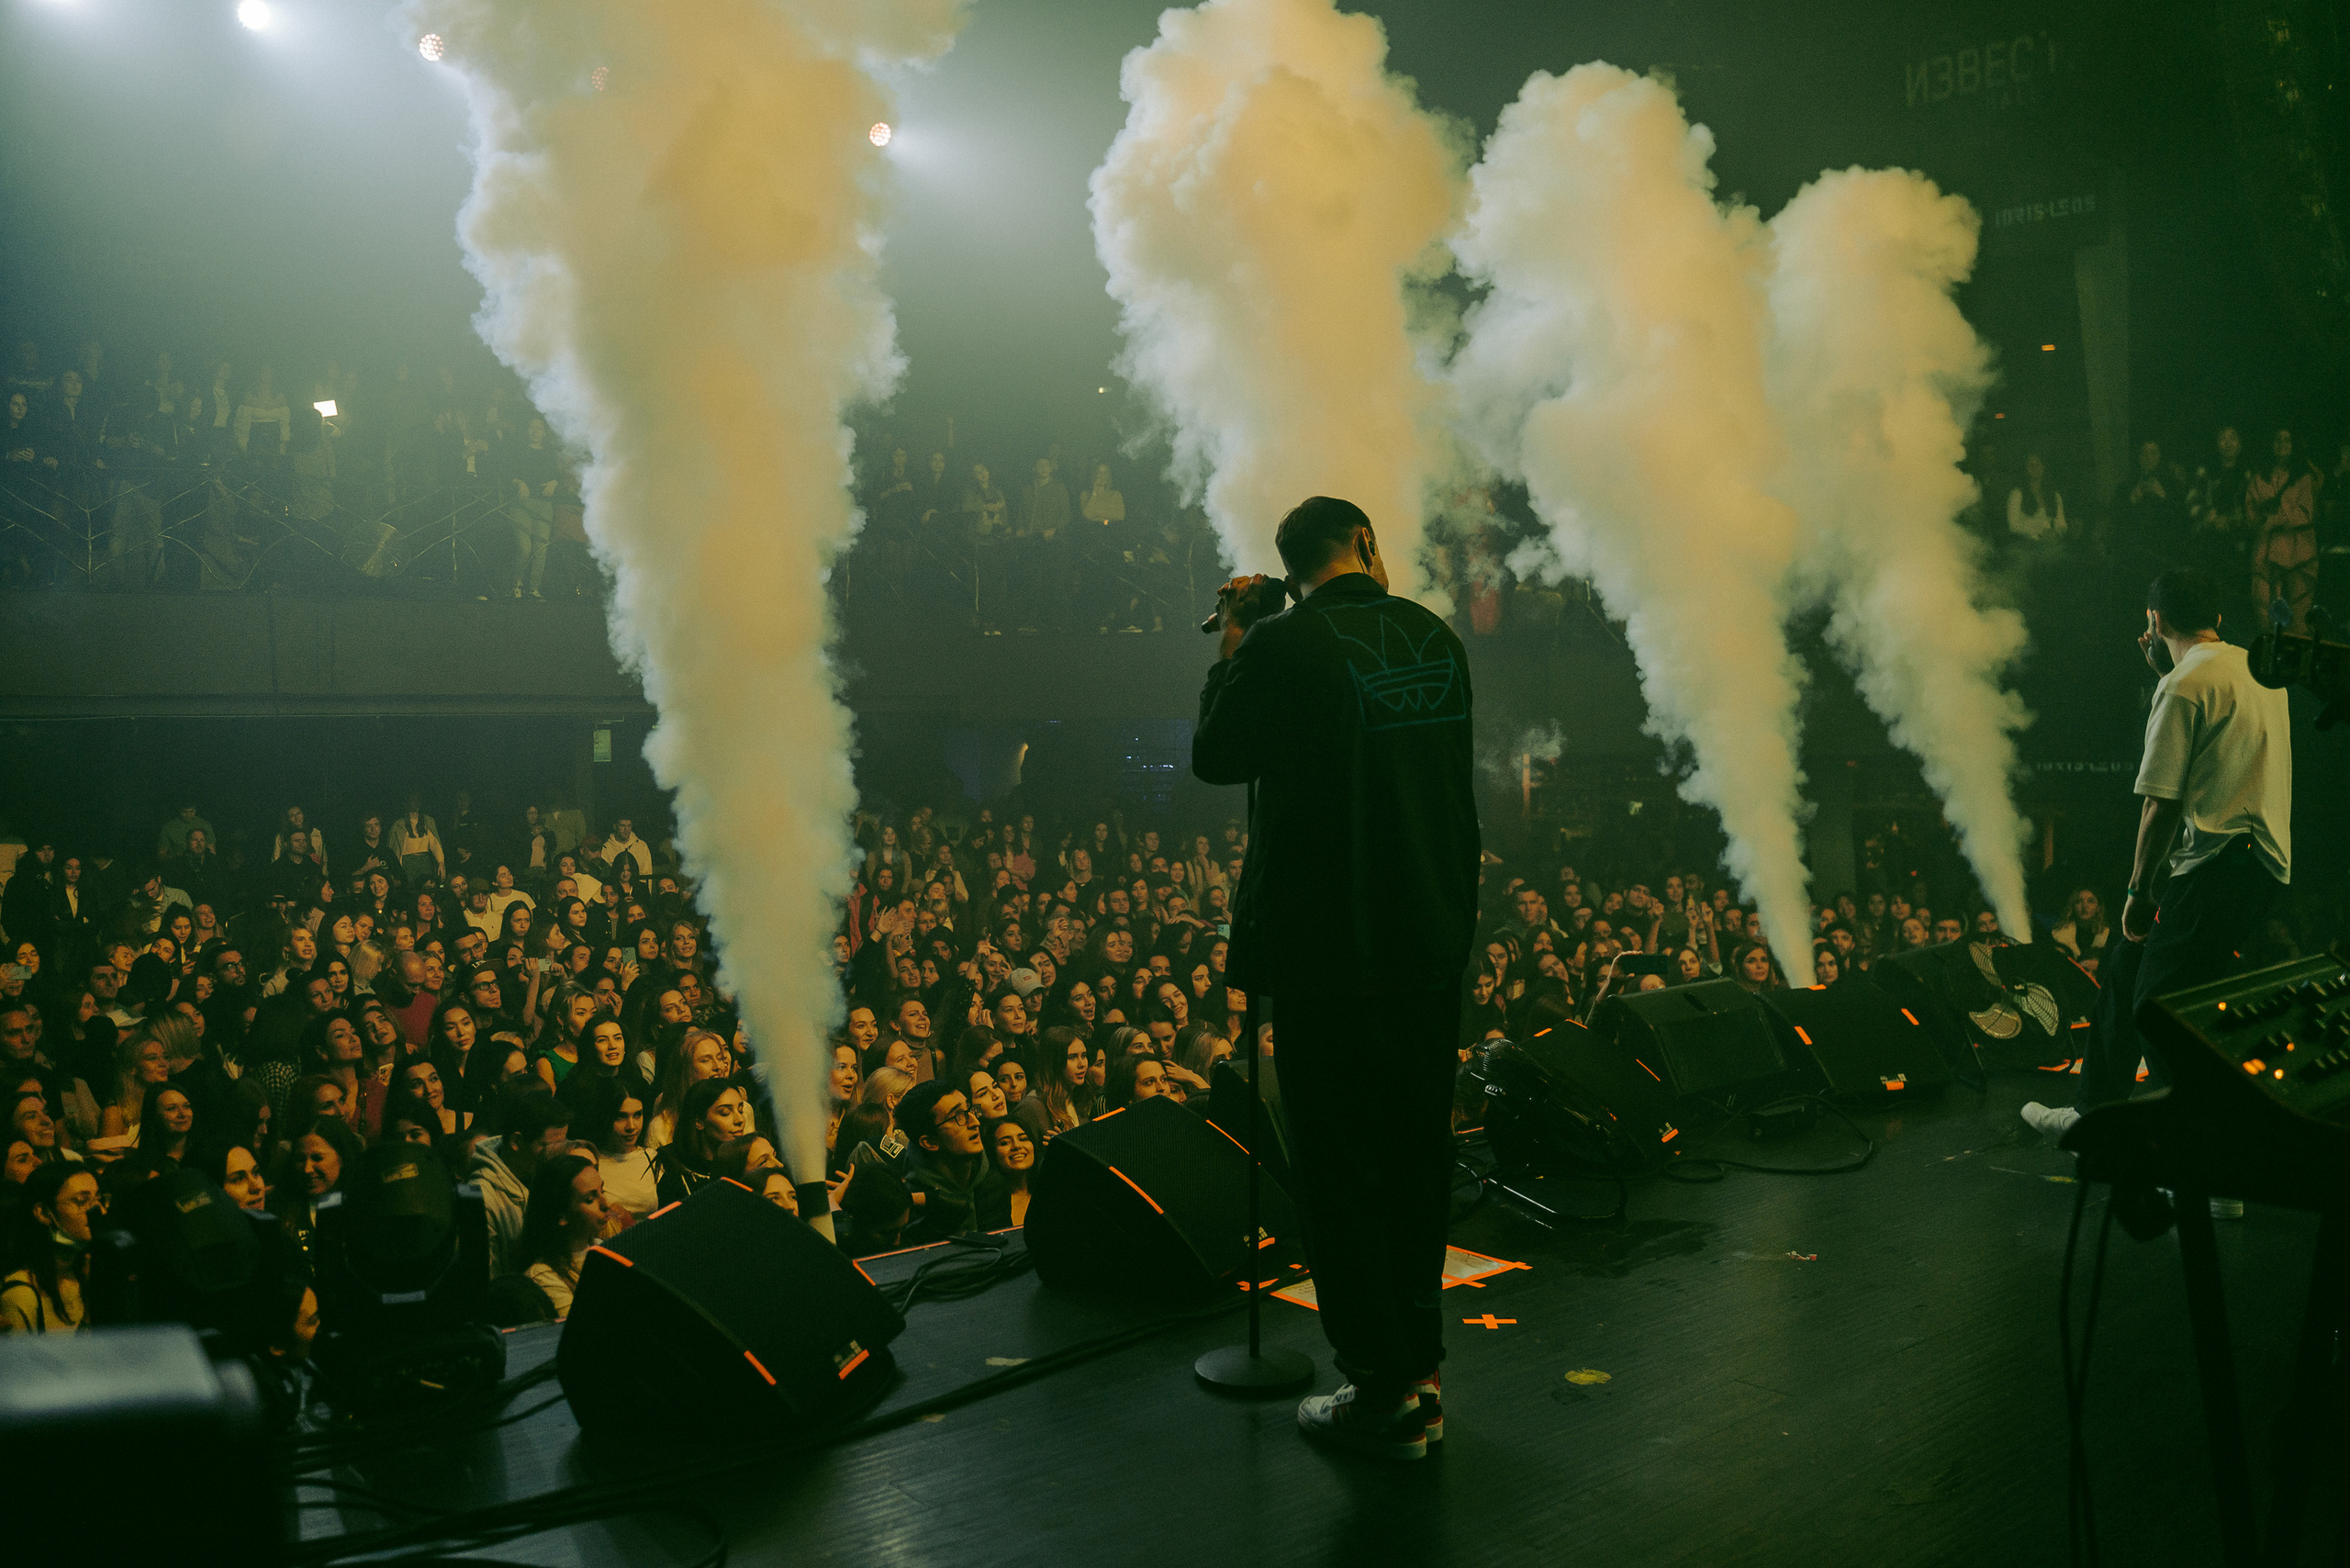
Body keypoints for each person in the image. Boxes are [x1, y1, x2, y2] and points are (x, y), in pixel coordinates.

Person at [1192, 495, 1479, 1462]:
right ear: (1366, 545)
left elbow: (1214, 756)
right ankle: (1421, 1365)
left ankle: (1381, 1386)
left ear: (1291, 565)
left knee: (1341, 1170)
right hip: (1429, 943)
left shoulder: (1282, 644)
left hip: (1329, 959)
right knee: (1412, 1160)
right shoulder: (1436, 638)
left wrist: (1237, 633)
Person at [2023, 568, 2293, 1221]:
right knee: (2124, 967)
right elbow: (2215, 743)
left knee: (2160, 1010)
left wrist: (2138, 891)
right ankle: (2094, 1114)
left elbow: (2159, 806)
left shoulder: (2183, 684)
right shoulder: (2253, 669)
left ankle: (2192, 1160)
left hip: (2221, 862)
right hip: (2255, 863)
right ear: (2217, 618)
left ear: (2153, 622)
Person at [3, 1162, 101, 1332]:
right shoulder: (22, 1293)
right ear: (44, 1213)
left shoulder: (86, 1273)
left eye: (98, 1198)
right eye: (82, 1200)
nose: (98, 1210)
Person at [517, 1153, 609, 1317]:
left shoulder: (603, 1248)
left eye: (602, 1191)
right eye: (589, 1199)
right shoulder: (542, 1275)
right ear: (562, 1216)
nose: (605, 1204)